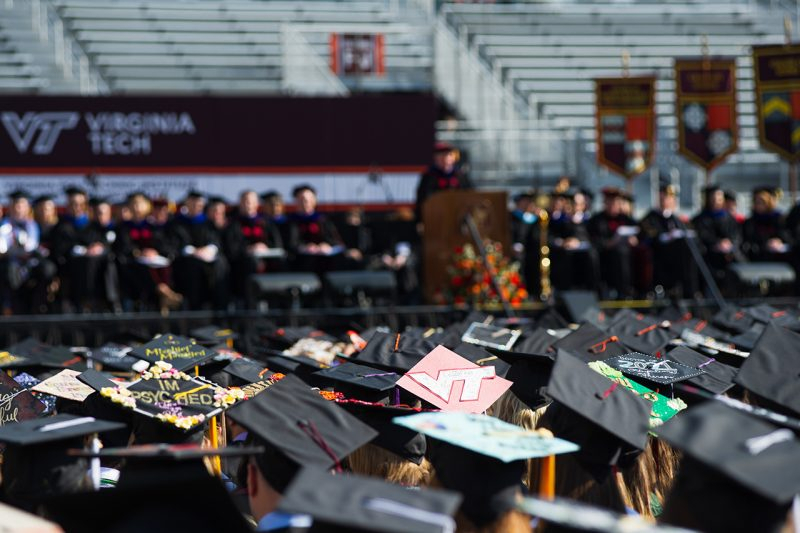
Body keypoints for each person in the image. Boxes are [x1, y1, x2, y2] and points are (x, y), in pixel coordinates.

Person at [114, 192, 182, 313]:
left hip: (155, 260)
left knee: (165, 265)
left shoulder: (153, 225)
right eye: (133, 204)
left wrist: (154, 252)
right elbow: (123, 247)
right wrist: (137, 252)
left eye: (139, 204)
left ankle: (163, 297)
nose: (136, 207)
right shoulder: (123, 227)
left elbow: (163, 244)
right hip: (134, 263)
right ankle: (165, 293)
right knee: (144, 269)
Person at [51, 186, 112, 312]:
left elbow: (105, 243)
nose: (76, 207)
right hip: (71, 269)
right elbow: (59, 251)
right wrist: (78, 251)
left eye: (80, 204)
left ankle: (106, 302)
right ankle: (82, 304)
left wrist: (99, 246)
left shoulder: (94, 226)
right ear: (67, 205)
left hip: (95, 270)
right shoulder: (61, 226)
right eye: (73, 204)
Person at [168, 190, 229, 310]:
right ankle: (194, 308)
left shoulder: (207, 223)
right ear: (187, 204)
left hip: (208, 258)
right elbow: (175, 244)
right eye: (193, 203)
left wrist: (209, 249)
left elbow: (215, 242)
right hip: (187, 261)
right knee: (192, 267)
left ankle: (220, 307)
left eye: (199, 204)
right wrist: (192, 251)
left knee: (221, 263)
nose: (197, 206)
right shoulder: (177, 223)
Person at [0, 190, 57, 314]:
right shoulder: (5, 225)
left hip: (32, 265)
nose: (18, 209)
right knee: (10, 271)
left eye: (21, 206)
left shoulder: (34, 226)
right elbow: (3, 249)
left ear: (27, 208)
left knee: (47, 269)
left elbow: (34, 248)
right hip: (12, 265)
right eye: (15, 206)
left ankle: (38, 310)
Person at [224, 190, 283, 304]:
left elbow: (276, 244)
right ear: (240, 203)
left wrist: (264, 247)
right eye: (245, 201)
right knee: (251, 263)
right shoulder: (233, 224)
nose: (248, 204)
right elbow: (231, 248)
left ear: (257, 204)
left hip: (267, 259)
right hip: (243, 262)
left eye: (251, 202)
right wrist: (249, 249)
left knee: (282, 262)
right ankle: (251, 302)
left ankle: (279, 302)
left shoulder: (265, 222)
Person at [639, 184, 698, 298]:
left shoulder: (677, 219)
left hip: (679, 255)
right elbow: (648, 234)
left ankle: (690, 290)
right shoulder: (651, 217)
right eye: (664, 197)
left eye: (670, 198)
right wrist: (666, 237)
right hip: (660, 253)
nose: (667, 201)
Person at [587, 188, 638, 299]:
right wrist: (608, 243)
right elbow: (593, 239)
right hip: (604, 255)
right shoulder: (596, 220)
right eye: (609, 202)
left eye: (615, 202)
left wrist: (634, 240)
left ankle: (625, 291)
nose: (612, 205)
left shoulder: (626, 219)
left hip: (624, 256)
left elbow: (639, 232)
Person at [691, 185, 743, 289]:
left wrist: (730, 243)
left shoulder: (729, 218)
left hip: (728, 253)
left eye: (719, 198)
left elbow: (737, 235)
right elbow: (701, 236)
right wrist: (716, 243)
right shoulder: (700, 219)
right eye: (713, 198)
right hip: (709, 253)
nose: (716, 201)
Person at [548, 189, 600, 292]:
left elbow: (595, 238)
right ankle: (565, 289)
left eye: (576, 203)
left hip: (584, 253)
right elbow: (551, 238)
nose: (573, 206)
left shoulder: (589, 221)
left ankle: (590, 288)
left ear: (583, 205)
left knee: (592, 256)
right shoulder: (558, 221)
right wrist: (563, 242)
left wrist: (580, 243)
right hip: (564, 252)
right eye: (570, 203)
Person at [288, 184, 346, 273]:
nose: (305, 203)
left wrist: (327, 245)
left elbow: (336, 240)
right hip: (302, 260)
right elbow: (291, 243)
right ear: (295, 202)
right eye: (301, 200)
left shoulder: (323, 220)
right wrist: (304, 247)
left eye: (308, 200)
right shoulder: (291, 221)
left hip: (325, 258)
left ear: (314, 201)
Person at [414, 142, 473, 224]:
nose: (445, 158)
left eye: (448, 155)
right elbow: (422, 200)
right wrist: (420, 221)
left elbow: (470, 195)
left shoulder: (460, 176)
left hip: (457, 218)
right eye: (441, 155)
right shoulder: (429, 177)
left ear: (453, 157)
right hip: (436, 218)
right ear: (436, 158)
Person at [742, 186, 789, 263]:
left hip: (779, 257)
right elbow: (748, 239)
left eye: (762, 202)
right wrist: (765, 243)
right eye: (756, 202)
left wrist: (779, 241)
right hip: (757, 256)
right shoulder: (750, 222)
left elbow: (787, 236)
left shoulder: (779, 219)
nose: (759, 205)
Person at [509, 190, 541, 296]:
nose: (528, 204)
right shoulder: (511, 217)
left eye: (529, 201)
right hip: (513, 252)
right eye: (525, 201)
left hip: (529, 253)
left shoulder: (534, 220)